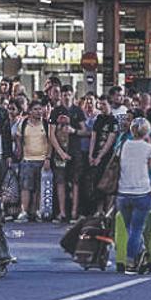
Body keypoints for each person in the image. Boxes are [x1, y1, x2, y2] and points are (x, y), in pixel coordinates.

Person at [116, 117, 151, 274]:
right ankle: (131, 261)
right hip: (142, 191)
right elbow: (150, 168)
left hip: (123, 191)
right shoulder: (149, 149)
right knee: (137, 228)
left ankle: (141, 255)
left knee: (128, 227)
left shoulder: (124, 145)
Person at [49, 85, 87, 223]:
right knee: (60, 182)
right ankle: (62, 212)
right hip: (60, 152)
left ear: (73, 95)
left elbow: (86, 131)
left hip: (75, 150)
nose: (66, 97)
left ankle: (74, 212)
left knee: (75, 182)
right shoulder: (56, 111)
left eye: (68, 94)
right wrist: (60, 152)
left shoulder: (78, 111)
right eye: (64, 94)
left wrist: (74, 131)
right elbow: (51, 134)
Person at [14, 100, 50, 222]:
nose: (39, 111)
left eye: (40, 109)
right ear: (30, 111)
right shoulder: (23, 123)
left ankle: (37, 212)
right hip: (27, 160)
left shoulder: (46, 124)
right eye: (35, 109)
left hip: (42, 160)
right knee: (25, 187)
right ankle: (24, 211)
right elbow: (17, 136)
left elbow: (51, 142)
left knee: (39, 188)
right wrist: (19, 149)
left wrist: (48, 158)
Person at [90, 95, 119, 215]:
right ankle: (99, 210)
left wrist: (100, 157)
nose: (102, 107)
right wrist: (91, 154)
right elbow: (93, 136)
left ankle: (108, 210)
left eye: (104, 104)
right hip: (96, 154)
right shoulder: (98, 119)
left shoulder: (113, 121)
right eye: (100, 104)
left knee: (107, 183)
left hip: (107, 157)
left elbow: (110, 141)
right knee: (96, 183)